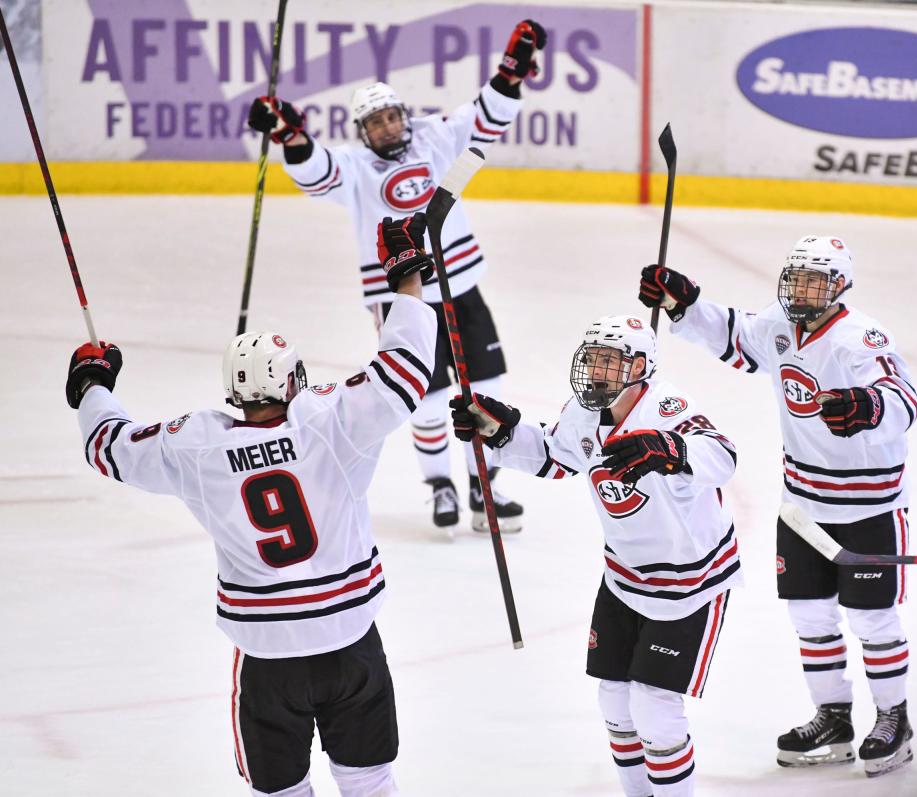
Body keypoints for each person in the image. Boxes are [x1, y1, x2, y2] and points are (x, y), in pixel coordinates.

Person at [66, 216, 439, 797]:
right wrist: (408, 281)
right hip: (350, 641)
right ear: (292, 382)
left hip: (268, 659)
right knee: (370, 782)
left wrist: (94, 383)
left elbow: (108, 446)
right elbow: (405, 371)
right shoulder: (330, 421)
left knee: (282, 791)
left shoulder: (197, 446)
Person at [246, 20, 548, 535]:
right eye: (375, 122)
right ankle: (441, 486)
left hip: (461, 285)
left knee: (488, 383)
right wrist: (292, 137)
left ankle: (485, 481)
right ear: (362, 132)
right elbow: (317, 172)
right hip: (402, 299)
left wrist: (512, 71)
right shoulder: (356, 167)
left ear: (403, 115)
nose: (386, 127)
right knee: (426, 395)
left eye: (391, 116)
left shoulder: (435, 134)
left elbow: (487, 115)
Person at [639, 236, 917, 777]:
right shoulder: (781, 324)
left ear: (840, 286)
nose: (801, 290)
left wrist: (868, 406)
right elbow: (739, 337)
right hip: (802, 505)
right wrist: (685, 303)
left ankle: (894, 719)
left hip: (868, 503)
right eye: (796, 278)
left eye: (815, 280)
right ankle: (834, 716)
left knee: (870, 616)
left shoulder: (859, 340)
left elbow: (904, 396)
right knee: (809, 613)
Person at [451, 315, 741, 797]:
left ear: (641, 367)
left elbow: (722, 455)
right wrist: (499, 431)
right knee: (615, 701)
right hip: (625, 577)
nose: (597, 370)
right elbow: (555, 455)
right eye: (593, 359)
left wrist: (669, 448)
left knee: (655, 709)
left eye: (610, 360)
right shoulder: (585, 412)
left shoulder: (666, 408)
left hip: (691, 582)